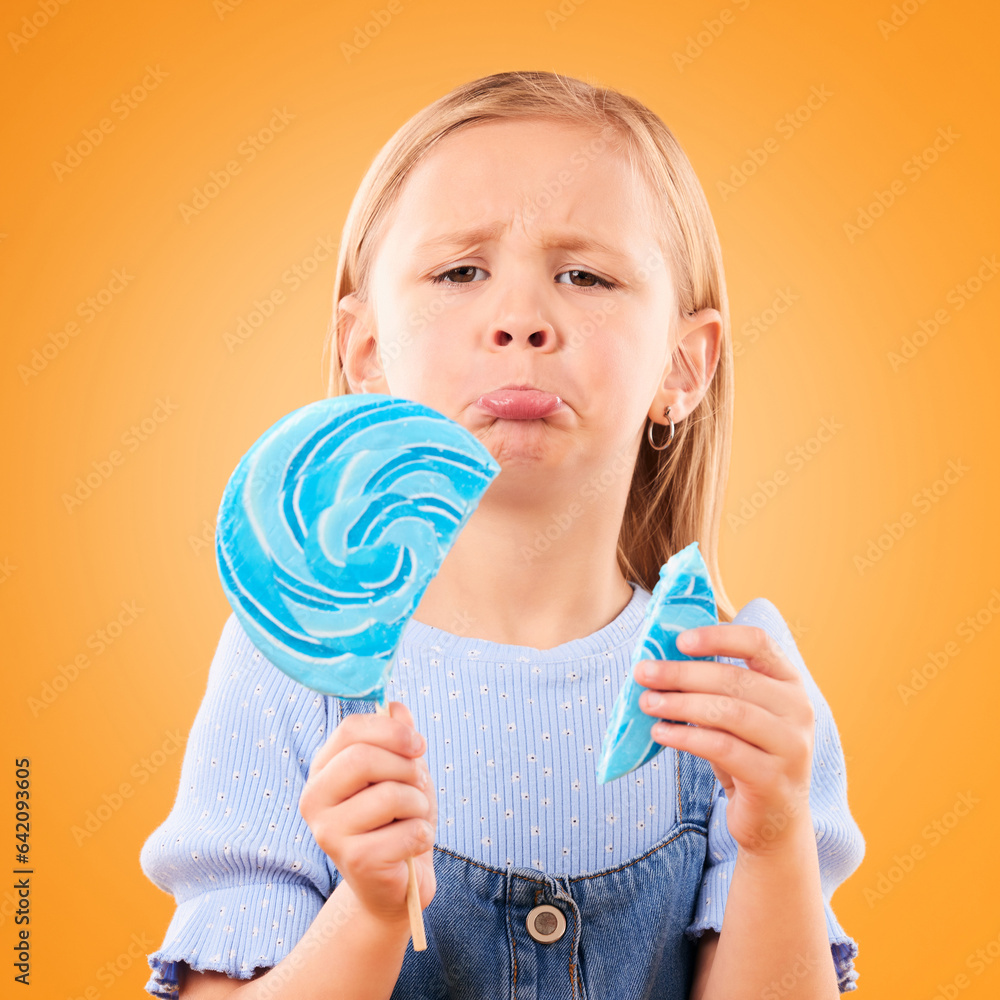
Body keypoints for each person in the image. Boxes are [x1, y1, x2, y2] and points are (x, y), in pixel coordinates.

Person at [139, 70, 865, 999]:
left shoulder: (735, 685)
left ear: (684, 365)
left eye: (585, 275)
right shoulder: (289, 670)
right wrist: (366, 910)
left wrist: (774, 840)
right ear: (366, 353)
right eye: (460, 272)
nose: (521, 320)